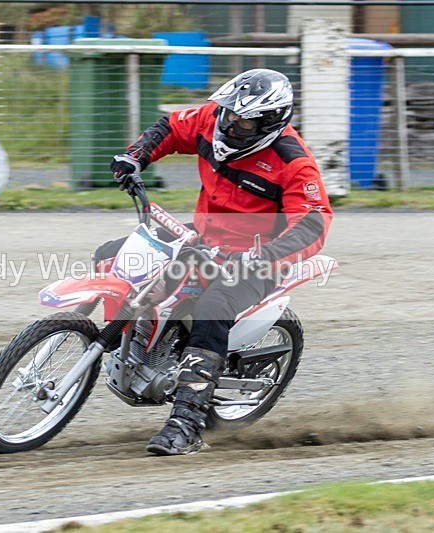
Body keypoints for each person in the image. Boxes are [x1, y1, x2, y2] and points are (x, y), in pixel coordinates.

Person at [102, 69, 333, 455]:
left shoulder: (294, 164)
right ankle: (119, 340)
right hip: (205, 236)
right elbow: (171, 127)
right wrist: (134, 157)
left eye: (241, 120)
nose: (228, 123)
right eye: (227, 113)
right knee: (112, 254)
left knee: (211, 309)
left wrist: (262, 256)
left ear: (268, 123)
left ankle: (187, 423)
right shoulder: (214, 120)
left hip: (257, 257)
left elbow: (312, 224)